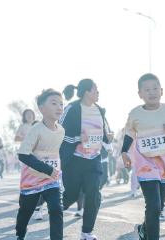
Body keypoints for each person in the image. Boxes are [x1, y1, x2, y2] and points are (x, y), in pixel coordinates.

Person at [121, 73, 165, 240]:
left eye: (155, 88)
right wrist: (124, 152)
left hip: (164, 163)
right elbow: (129, 134)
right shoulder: (135, 113)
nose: (151, 92)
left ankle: (144, 230)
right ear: (140, 94)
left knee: (158, 207)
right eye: (147, 90)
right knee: (152, 205)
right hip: (144, 163)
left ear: (161, 91)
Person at [59, 79, 111, 240]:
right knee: (72, 194)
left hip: (93, 159)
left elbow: (106, 132)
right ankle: (56, 208)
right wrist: (77, 138)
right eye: (95, 90)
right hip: (74, 160)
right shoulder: (72, 108)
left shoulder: (100, 110)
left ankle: (86, 232)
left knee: (93, 194)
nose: (98, 92)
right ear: (87, 92)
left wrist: (108, 137)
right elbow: (58, 131)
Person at [15, 89, 64, 240]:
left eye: (61, 104)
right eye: (54, 103)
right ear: (42, 109)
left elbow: (55, 154)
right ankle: (20, 234)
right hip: (32, 179)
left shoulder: (61, 130)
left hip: (51, 179)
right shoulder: (36, 130)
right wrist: (47, 169)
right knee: (25, 213)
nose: (59, 107)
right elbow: (23, 154)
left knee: (56, 209)